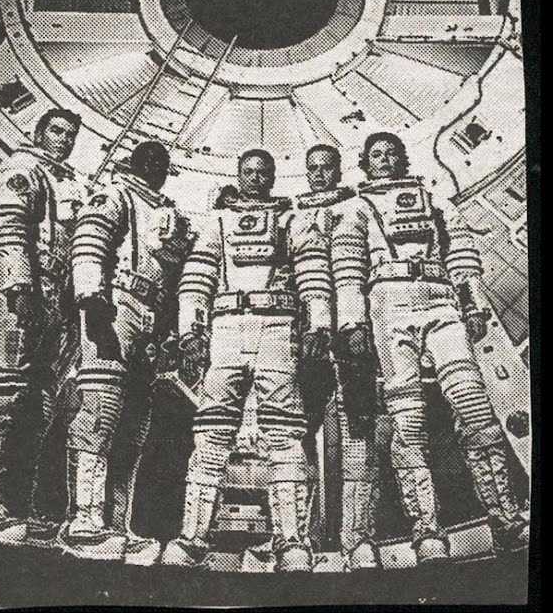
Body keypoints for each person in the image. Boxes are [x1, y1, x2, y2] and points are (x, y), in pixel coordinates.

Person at [332, 132, 529, 564]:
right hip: (388, 303)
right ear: (365, 163)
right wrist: (353, 323)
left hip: (441, 299)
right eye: (376, 155)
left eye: (392, 153)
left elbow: (461, 250)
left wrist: (472, 303)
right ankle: (426, 531)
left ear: (403, 159)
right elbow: (348, 270)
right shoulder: (355, 208)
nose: (385, 160)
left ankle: (506, 520)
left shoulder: (433, 197)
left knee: (474, 405)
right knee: (409, 420)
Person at [159, 149, 333, 572]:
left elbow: (314, 274)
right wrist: (191, 333)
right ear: (238, 175)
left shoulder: (292, 220)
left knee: (285, 434)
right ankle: (193, 537)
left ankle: (292, 541)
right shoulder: (218, 222)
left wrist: (318, 326)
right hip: (225, 329)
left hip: (278, 327)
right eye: (247, 172)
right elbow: (196, 278)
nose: (254, 179)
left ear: (272, 177)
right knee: (211, 433)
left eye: (262, 172)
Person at [57, 141, 194, 564]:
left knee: (133, 423)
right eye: (148, 160)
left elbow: (176, 276)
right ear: (134, 164)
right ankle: (84, 520)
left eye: (162, 162)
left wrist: (170, 332)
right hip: (114, 303)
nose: (155, 167)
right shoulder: (115, 195)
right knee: (101, 410)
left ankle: (117, 524)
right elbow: (90, 239)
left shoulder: (171, 214)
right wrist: (90, 294)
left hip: (150, 315)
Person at [0, 109, 83, 543]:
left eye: (70, 135)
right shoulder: (22, 167)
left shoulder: (66, 181)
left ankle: (17, 502)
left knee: (39, 402)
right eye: (57, 131)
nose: (64, 139)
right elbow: (10, 228)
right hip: (21, 291)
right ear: (38, 133)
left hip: (55, 296)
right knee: (2, 388)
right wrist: (19, 286)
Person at [292, 144, 383, 571]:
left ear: (338, 170)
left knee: (359, 427)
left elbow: (368, 267)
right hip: (308, 334)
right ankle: (301, 537)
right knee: (300, 430)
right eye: (312, 168)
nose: (319, 175)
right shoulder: (292, 216)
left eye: (326, 168)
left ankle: (358, 538)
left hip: (351, 332)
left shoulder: (358, 208)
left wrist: (357, 324)